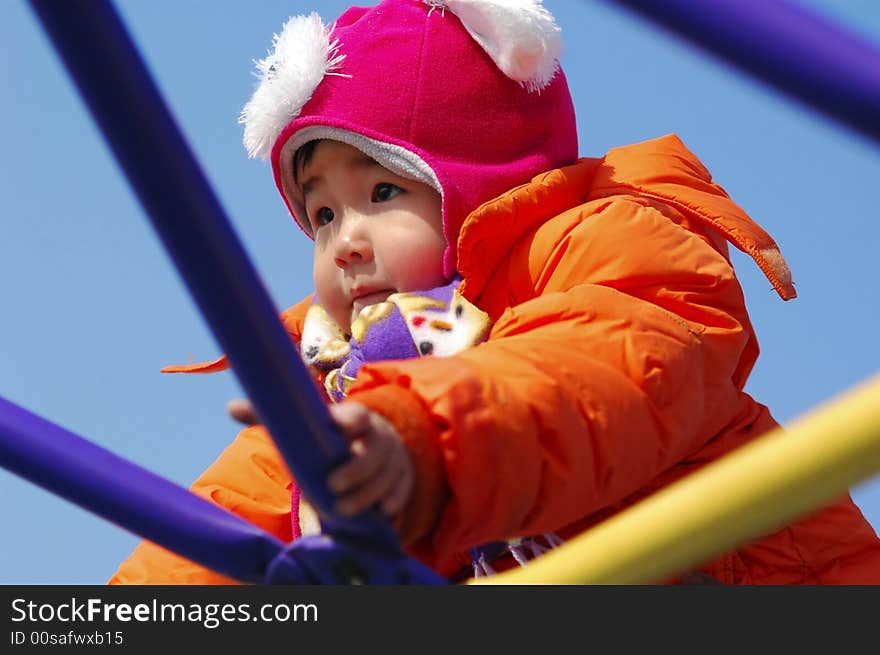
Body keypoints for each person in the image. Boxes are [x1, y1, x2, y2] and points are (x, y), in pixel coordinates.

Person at [109, 0, 880, 584]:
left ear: (479, 180)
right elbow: (228, 517)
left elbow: (592, 373)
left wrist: (419, 437)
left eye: (381, 191)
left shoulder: (607, 245)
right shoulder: (347, 371)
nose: (342, 238)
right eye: (320, 214)